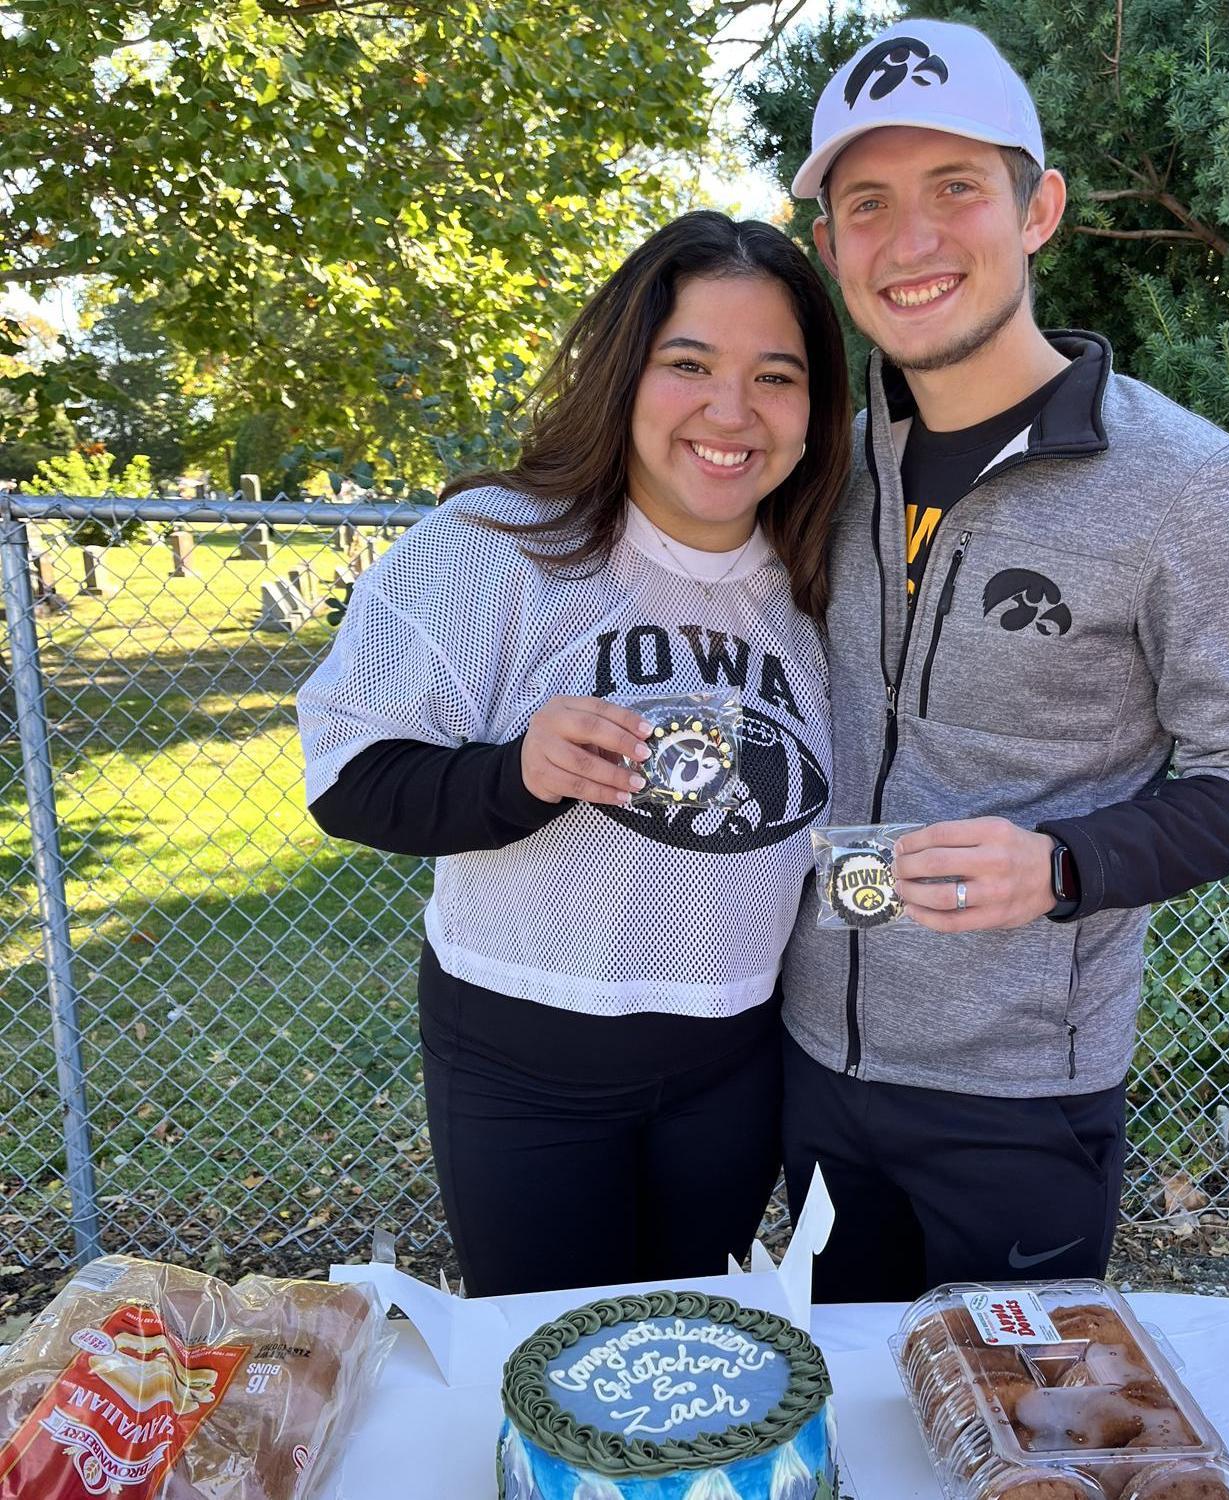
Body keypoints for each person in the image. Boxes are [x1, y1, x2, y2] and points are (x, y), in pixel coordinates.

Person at [778, 20, 1229, 1300]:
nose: (910, 242)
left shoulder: (1187, 485)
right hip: (806, 1061)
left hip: (1022, 1093)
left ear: (1040, 209)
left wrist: (1066, 866)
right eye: (868, 205)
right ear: (830, 249)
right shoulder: (823, 466)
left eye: (955, 188)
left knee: (1018, 1453)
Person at [297, 211, 851, 1296]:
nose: (730, 411)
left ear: (816, 408)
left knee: (692, 1354)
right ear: (623, 372)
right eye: (687, 363)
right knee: (552, 1372)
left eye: (776, 378)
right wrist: (516, 775)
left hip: (734, 1057)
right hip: (523, 1057)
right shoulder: (497, 547)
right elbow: (348, 780)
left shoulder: (825, 576)